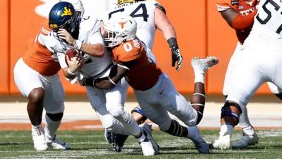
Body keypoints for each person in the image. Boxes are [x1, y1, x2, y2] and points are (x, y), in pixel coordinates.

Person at [81, 15, 220, 154]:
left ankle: (199, 69)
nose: (107, 37)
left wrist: (86, 81)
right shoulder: (122, 42)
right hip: (142, 94)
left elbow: (108, 83)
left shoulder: (129, 50)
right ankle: (194, 136)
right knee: (166, 126)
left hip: (160, 87)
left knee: (194, 119)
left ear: (123, 37)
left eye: (111, 34)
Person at [56, 0, 159, 156]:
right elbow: (67, 73)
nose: (60, 30)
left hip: (110, 71)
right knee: (110, 124)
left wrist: (75, 43)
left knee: (116, 110)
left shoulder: (89, 24)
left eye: (63, 25)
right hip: (90, 81)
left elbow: (99, 51)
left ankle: (142, 138)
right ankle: (142, 130)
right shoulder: (56, 38)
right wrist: (73, 69)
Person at [101, 0, 183, 151]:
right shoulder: (150, 4)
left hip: (116, 61)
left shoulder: (108, 14)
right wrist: (174, 46)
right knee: (152, 97)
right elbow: (166, 26)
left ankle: (128, 130)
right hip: (140, 57)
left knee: (114, 113)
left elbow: (101, 43)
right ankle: (137, 126)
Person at [212, 0, 282, 150]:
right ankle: (248, 132)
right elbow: (238, 24)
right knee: (230, 90)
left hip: (269, 45)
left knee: (276, 89)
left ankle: (227, 131)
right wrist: (260, 10)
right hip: (247, 46)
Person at [13, 0, 84, 151]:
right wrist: (74, 70)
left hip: (50, 76)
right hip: (28, 70)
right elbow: (67, 73)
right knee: (37, 94)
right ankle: (37, 130)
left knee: (57, 112)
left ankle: (50, 138)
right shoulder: (51, 36)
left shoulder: (80, 26)